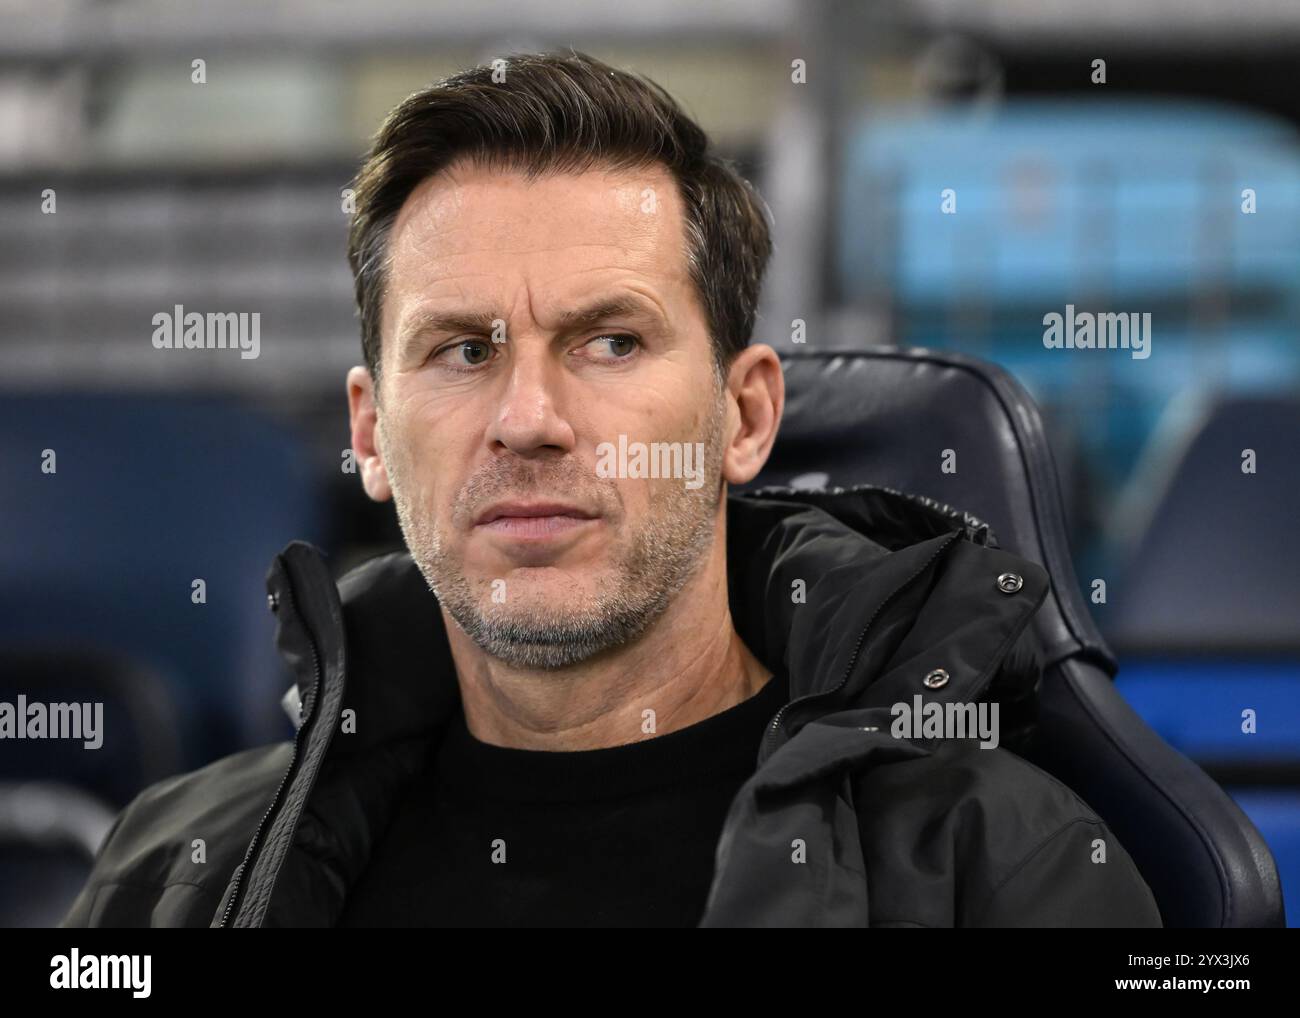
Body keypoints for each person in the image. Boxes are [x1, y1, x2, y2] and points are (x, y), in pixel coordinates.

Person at [61, 49, 1161, 928]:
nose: (530, 420)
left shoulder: (1002, 872)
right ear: (371, 435)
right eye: (462, 351)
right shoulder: (175, 872)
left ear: (744, 417)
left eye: (610, 342)